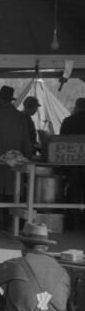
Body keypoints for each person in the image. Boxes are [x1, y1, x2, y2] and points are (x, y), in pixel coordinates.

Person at [0, 86, 33, 229]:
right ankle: (10, 225)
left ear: (0, 98)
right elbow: (26, 140)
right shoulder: (20, 116)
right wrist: (29, 157)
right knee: (12, 192)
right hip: (14, 160)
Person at [60, 98, 85, 229]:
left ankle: (74, 222)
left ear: (76, 107)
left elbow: (61, 142)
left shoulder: (68, 122)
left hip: (72, 165)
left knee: (73, 192)